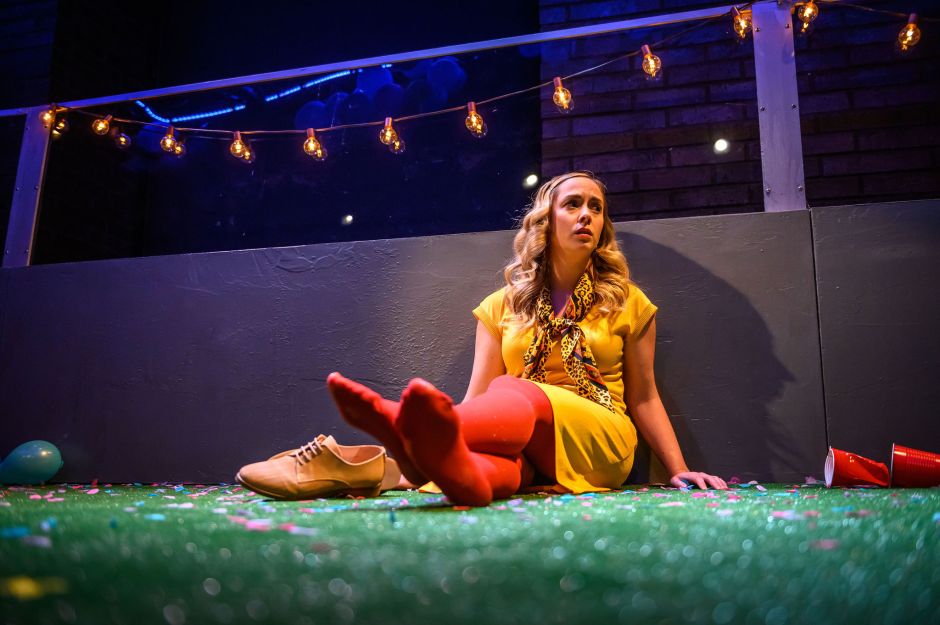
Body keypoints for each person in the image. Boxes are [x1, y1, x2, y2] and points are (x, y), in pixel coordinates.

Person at [326, 171, 727, 507]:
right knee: (494, 465)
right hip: (524, 436)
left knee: (514, 388)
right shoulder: (502, 306)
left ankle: (405, 432)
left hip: (601, 438)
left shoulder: (626, 301)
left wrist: (677, 468)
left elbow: (644, 397)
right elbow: (480, 398)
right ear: (547, 220)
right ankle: (450, 469)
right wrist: (449, 448)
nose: (586, 214)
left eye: (596, 207)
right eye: (573, 204)